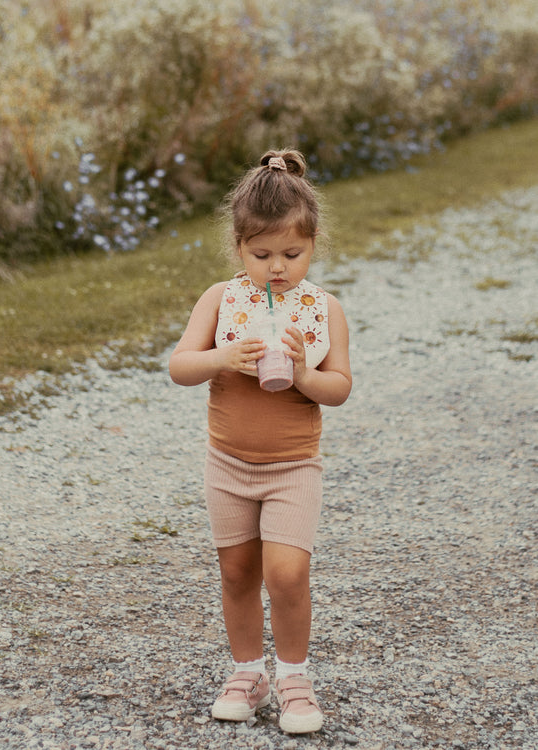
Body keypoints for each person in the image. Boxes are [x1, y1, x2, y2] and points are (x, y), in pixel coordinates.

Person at [168, 149, 352, 734]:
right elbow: (180, 366)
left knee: (287, 572)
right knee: (238, 572)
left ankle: (295, 676)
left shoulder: (323, 310)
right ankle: (248, 671)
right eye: (261, 254)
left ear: (313, 243)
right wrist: (223, 355)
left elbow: (339, 387)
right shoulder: (221, 300)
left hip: (293, 466)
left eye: (292, 255)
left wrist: (300, 374)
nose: (277, 268)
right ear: (238, 246)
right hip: (227, 463)